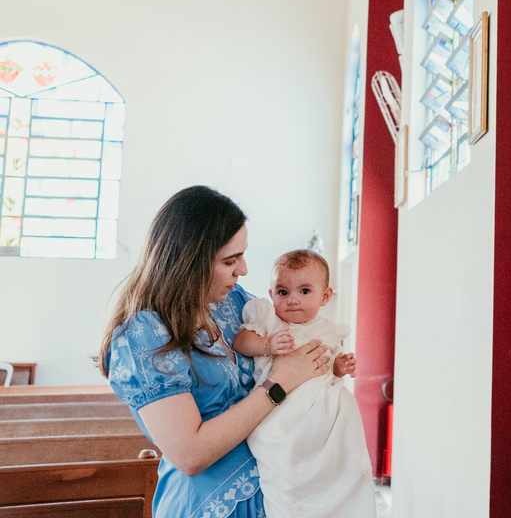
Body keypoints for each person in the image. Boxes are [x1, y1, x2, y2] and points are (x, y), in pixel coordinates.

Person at [99, 186, 330, 518]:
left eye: (242, 255)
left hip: (274, 489)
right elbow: (190, 455)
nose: (243, 270)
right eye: (230, 260)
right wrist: (277, 385)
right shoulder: (142, 334)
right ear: (188, 262)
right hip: (209, 503)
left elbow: (299, 324)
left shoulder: (234, 303)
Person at [231, 249, 375, 517]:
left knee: (344, 405)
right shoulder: (268, 319)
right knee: (290, 468)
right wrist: (266, 344)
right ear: (272, 294)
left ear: (325, 296)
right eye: (283, 292)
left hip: (320, 410)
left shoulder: (328, 330)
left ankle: (339, 493)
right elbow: (240, 342)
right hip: (280, 409)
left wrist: (338, 367)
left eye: (304, 291)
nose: (293, 300)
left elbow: (327, 367)